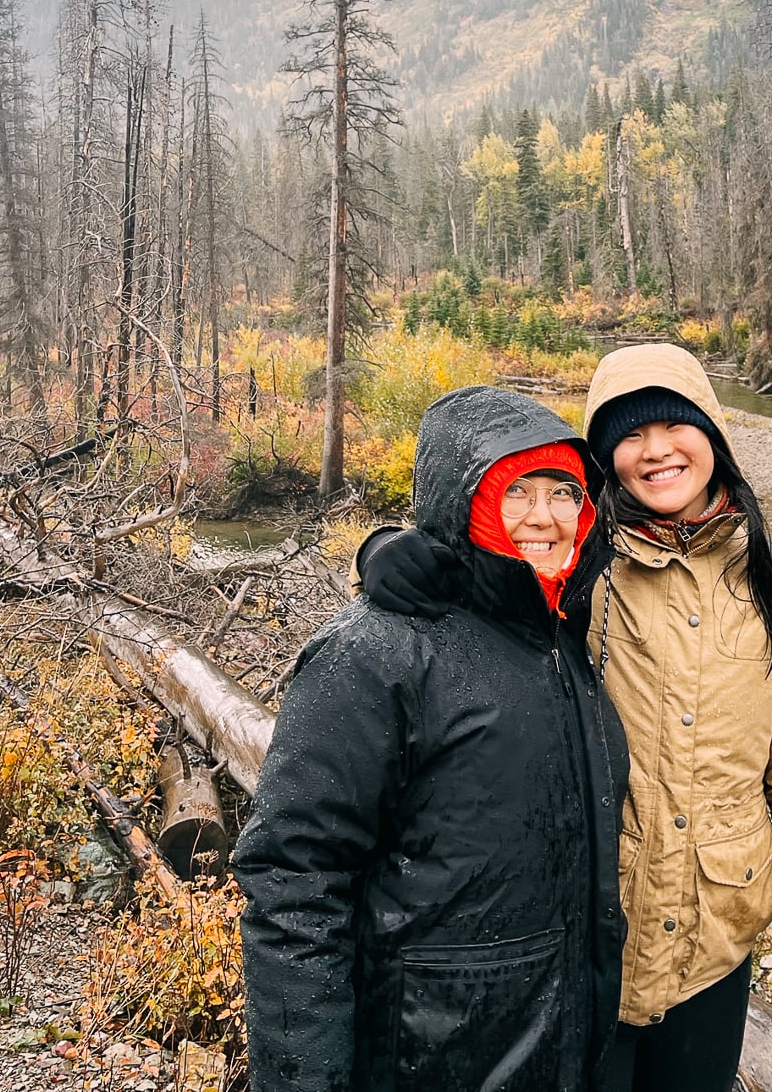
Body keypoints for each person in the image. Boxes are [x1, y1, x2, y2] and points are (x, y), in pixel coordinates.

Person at [360, 346, 772, 1092]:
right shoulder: (572, 563)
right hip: (584, 943)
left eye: (674, 426)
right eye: (629, 435)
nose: (655, 450)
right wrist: (383, 552)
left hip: (712, 956)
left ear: (713, 435)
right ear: (604, 459)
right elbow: (465, 579)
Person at [234, 384, 628, 1092]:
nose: (544, 517)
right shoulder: (374, 654)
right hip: (426, 1057)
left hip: (557, 1046)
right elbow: (295, 881)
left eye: (563, 492)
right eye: (518, 492)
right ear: (466, 502)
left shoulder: (562, 635)